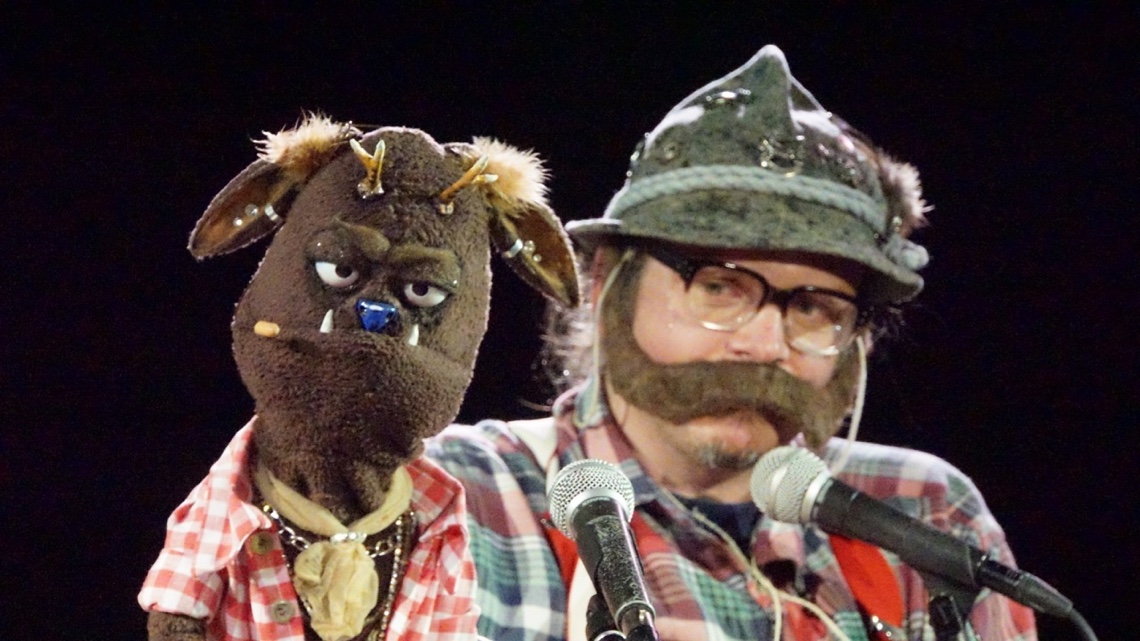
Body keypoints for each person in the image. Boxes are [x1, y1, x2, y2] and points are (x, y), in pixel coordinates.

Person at [426, 45, 1037, 641]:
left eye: (813, 307)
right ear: (609, 282)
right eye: (719, 287)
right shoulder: (460, 495)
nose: (766, 344)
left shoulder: (924, 515)